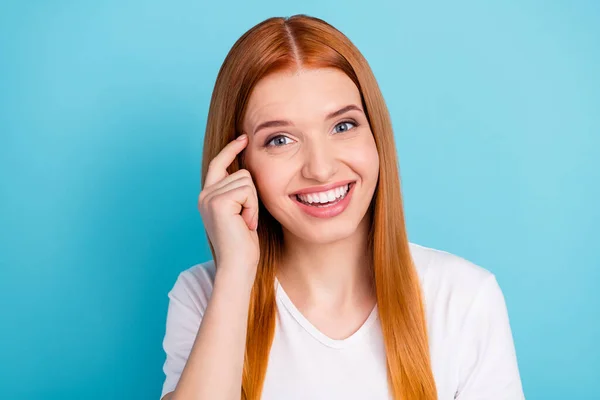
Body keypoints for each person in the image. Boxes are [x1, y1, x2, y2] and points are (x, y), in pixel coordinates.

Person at [159, 14, 525, 400]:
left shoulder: (465, 298)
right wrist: (235, 274)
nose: (321, 169)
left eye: (343, 126)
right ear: (239, 165)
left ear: (376, 136)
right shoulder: (203, 295)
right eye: (280, 139)